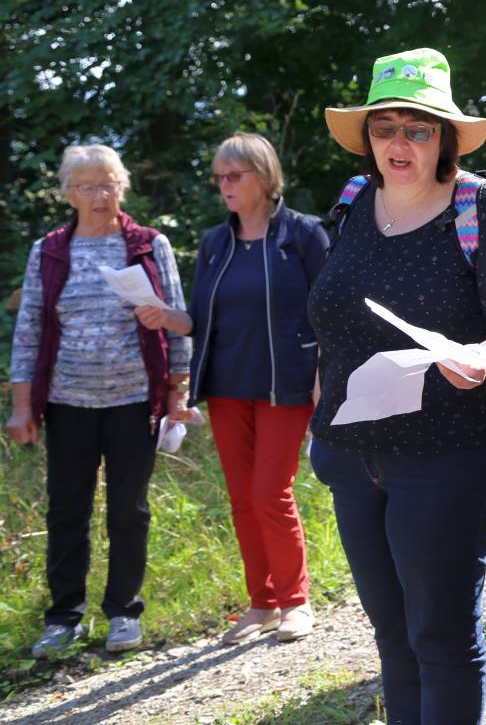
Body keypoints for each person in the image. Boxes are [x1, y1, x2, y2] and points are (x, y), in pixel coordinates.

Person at [307, 48, 486, 724]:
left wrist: (484, 355)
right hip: (355, 459)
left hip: (452, 457)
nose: (399, 143)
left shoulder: (479, 209)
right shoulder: (354, 204)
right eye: (385, 128)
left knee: (439, 639)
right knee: (393, 638)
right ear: (367, 138)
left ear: (444, 138)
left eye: (418, 128)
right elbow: (333, 321)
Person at [134, 133, 327, 644]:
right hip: (225, 384)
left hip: (285, 384)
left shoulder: (303, 235)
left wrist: (323, 376)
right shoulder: (215, 242)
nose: (224, 185)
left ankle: (295, 601)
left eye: (234, 175)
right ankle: (262, 602)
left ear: (264, 177)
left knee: (270, 493)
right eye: (219, 176)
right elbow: (199, 319)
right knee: (242, 498)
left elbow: (330, 312)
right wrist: (164, 316)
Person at [5, 144, 192, 658]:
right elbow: (29, 330)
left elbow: (177, 322)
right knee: (67, 510)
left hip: (135, 400)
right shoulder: (50, 250)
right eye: (87, 186)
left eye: (109, 183)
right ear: (68, 194)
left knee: (129, 511)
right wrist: (22, 407)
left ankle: (123, 614)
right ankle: (63, 619)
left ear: (122, 188)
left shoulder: (150, 245)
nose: (100, 195)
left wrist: (178, 391)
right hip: (67, 402)